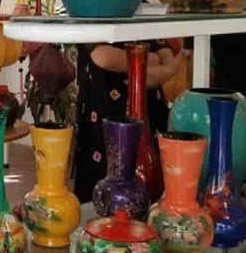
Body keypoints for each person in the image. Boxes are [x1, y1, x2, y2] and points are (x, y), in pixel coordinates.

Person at [74, 43, 182, 202]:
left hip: (147, 109)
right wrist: (149, 59)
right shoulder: (95, 22)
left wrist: (140, 62)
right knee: (104, 182)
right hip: (105, 111)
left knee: (150, 175)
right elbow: (103, 57)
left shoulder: (148, 21)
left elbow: (169, 67)